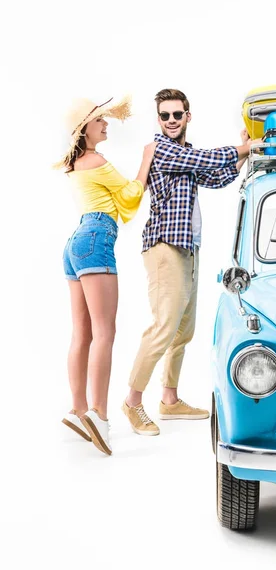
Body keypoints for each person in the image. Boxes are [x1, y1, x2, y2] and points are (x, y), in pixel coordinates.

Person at [122, 88, 256, 436]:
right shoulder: (160, 149)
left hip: (188, 248)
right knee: (164, 327)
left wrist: (242, 154)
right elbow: (207, 161)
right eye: (164, 115)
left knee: (184, 330)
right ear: (158, 119)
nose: (170, 121)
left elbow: (218, 176)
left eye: (176, 115)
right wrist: (244, 147)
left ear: (187, 117)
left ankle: (169, 399)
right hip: (165, 247)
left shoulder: (187, 152)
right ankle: (132, 401)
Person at [54, 96, 155, 455]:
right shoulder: (95, 159)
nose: (106, 125)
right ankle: (98, 413)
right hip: (96, 238)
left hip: (75, 243)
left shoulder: (77, 163)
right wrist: (146, 161)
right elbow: (129, 196)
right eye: (100, 121)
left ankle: (78, 409)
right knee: (105, 332)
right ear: (85, 129)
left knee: (81, 333)